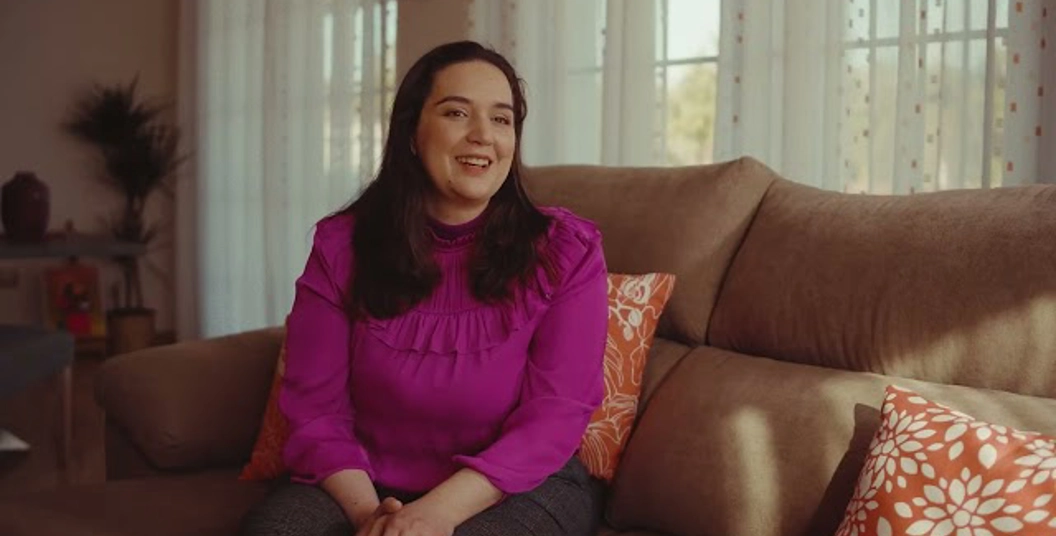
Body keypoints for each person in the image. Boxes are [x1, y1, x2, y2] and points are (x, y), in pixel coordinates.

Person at [240, 41, 608, 536]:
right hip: (361, 482)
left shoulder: (567, 251)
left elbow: (555, 416)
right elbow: (316, 411)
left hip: (515, 485)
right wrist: (375, 520)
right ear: (411, 133)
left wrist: (436, 514)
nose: (483, 136)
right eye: (457, 113)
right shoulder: (341, 247)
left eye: (501, 120)